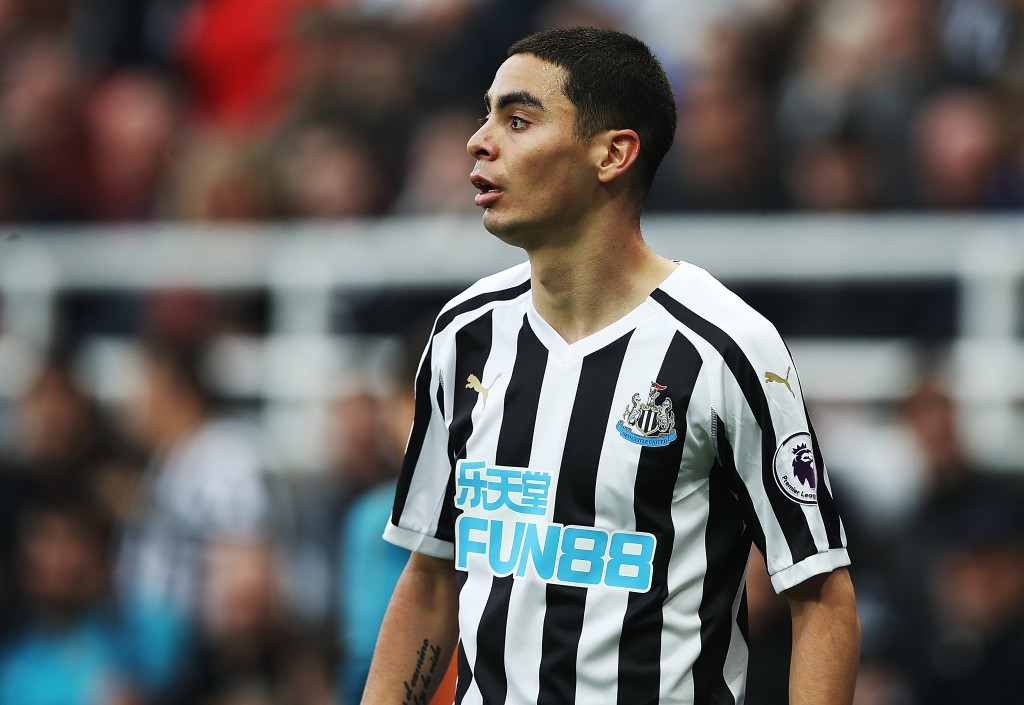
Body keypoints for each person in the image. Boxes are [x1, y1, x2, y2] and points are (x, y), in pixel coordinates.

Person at [362, 27, 860, 705]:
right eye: (486, 117)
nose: (480, 141)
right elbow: (430, 576)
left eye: (517, 120)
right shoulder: (464, 334)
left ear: (613, 154)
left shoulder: (725, 344)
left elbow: (821, 593)